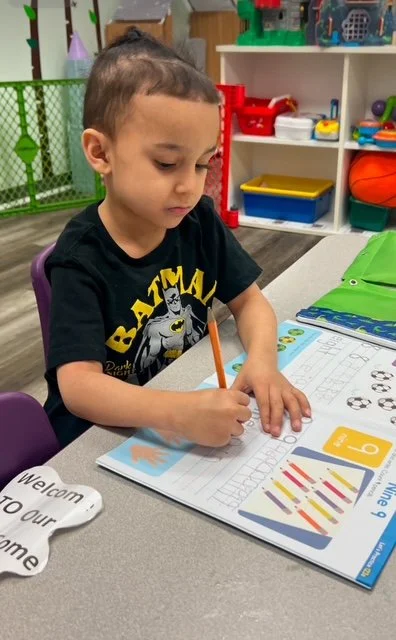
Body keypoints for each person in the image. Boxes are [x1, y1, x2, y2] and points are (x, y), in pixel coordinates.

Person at [44, 28, 311, 449]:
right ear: (100, 153)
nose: (191, 186)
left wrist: (262, 363)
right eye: (167, 163)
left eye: (203, 163)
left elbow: (250, 301)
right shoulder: (80, 256)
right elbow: (78, 387)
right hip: (99, 439)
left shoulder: (198, 222)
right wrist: (177, 413)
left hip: (184, 399)